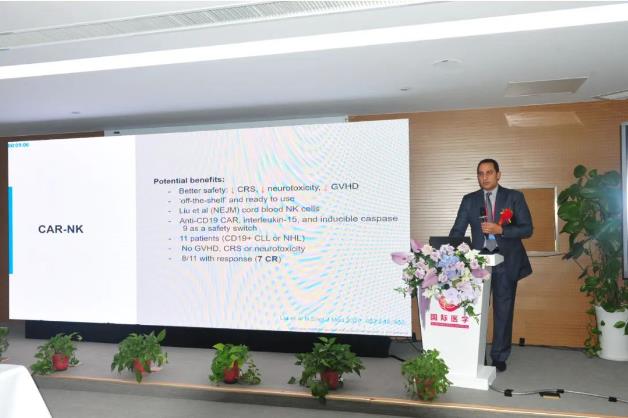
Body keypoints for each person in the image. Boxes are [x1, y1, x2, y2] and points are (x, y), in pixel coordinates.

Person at [449, 158, 533, 372]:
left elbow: (527, 229)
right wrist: (451, 252)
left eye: (489, 172)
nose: (484, 177)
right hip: (478, 264)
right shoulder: (469, 200)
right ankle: (475, 353)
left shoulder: (514, 197)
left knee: (503, 310)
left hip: (506, 261)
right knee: (475, 310)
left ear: (498, 175)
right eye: (480, 173)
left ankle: (499, 356)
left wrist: (501, 230)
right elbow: (457, 231)